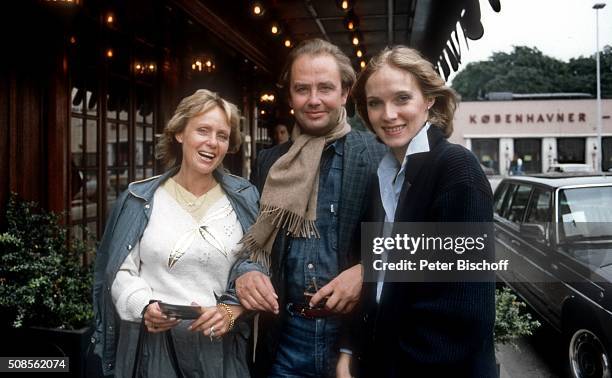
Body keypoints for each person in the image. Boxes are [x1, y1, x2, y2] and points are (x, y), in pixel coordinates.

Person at [229, 38, 386, 378]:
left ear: (345, 93)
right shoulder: (271, 160)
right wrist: (248, 271)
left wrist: (366, 270)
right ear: (290, 96)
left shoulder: (377, 153)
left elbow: (406, 238)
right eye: (302, 89)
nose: (313, 100)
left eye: (325, 88)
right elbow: (256, 240)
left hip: (352, 344)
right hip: (284, 341)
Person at [348, 46, 496, 376]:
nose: (388, 114)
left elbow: (462, 313)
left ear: (428, 99)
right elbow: (377, 280)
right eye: (375, 103)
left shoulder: (457, 169)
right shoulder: (383, 176)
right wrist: (351, 350)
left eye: (402, 98)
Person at [92, 89, 259, 378]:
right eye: (202, 130)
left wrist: (231, 311)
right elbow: (119, 271)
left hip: (219, 351)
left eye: (221, 135)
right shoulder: (140, 198)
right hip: (154, 350)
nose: (212, 142)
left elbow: (258, 265)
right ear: (180, 132)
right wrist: (144, 306)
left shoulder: (245, 198)